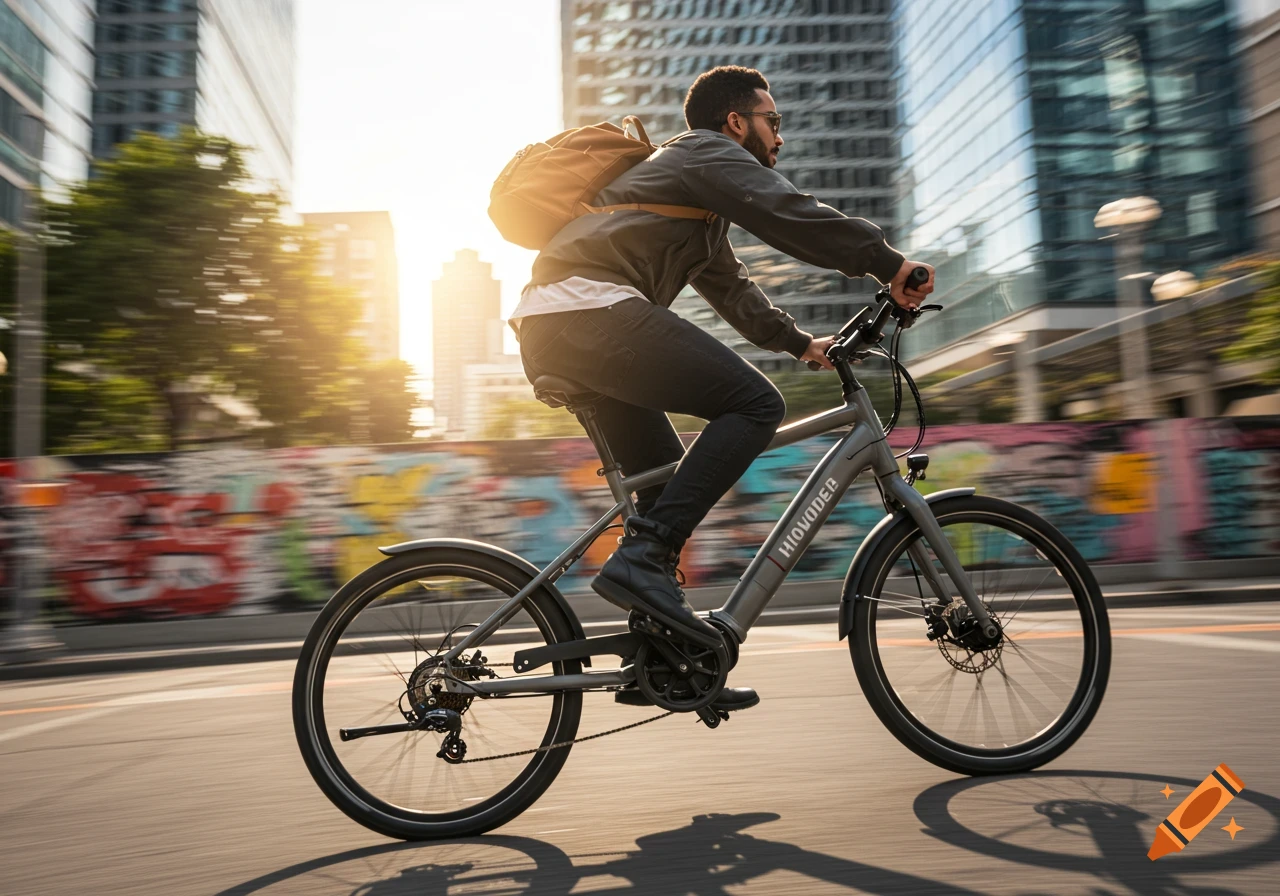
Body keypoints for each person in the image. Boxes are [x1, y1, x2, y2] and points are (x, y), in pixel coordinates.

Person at [512, 66, 935, 709]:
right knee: (756, 404)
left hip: (568, 322)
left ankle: (670, 655)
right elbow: (785, 211)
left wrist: (800, 345)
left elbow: (731, 286)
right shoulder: (702, 153)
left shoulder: (694, 205)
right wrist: (888, 262)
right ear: (735, 122)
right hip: (586, 312)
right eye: (774, 121)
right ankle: (645, 559)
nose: (780, 138)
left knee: (660, 482)